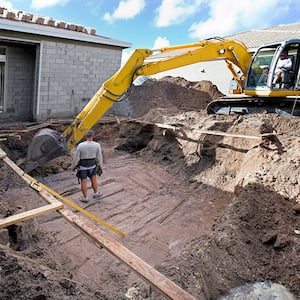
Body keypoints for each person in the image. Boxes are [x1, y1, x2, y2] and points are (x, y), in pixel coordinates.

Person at [71, 129, 103, 203]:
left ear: (86, 136)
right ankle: (96, 193)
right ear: (92, 136)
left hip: (82, 167)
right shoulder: (97, 145)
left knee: (83, 181)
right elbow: (99, 157)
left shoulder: (81, 145)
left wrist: (73, 166)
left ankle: (85, 197)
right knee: (93, 179)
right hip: (92, 166)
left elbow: (76, 158)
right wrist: (100, 166)